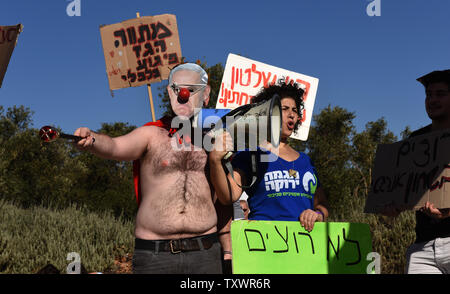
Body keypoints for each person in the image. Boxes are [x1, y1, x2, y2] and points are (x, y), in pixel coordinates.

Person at [74, 63, 226, 274]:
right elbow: (116, 146)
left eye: (191, 90)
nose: (183, 94)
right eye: (177, 89)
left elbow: (228, 193)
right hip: (156, 256)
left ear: (205, 96)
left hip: (205, 252)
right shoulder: (151, 134)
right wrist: (93, 139)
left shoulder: (215, 141)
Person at [209, 79, 329, 251]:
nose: (292, 114)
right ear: (267, 112)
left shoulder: (306, 161)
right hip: (265, 247)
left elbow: (322, 204)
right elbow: (227, 196)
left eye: (295, 110)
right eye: (285, 109)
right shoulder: (251, 153)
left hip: (305, 249)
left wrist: (317, 215)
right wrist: (214, 161)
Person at [382, 69, 450, 274]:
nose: (433, 100)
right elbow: (402, 190)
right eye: (429, 95)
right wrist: (391, 207)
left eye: (440, 94)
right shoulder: (415, 140)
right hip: (422, 249)